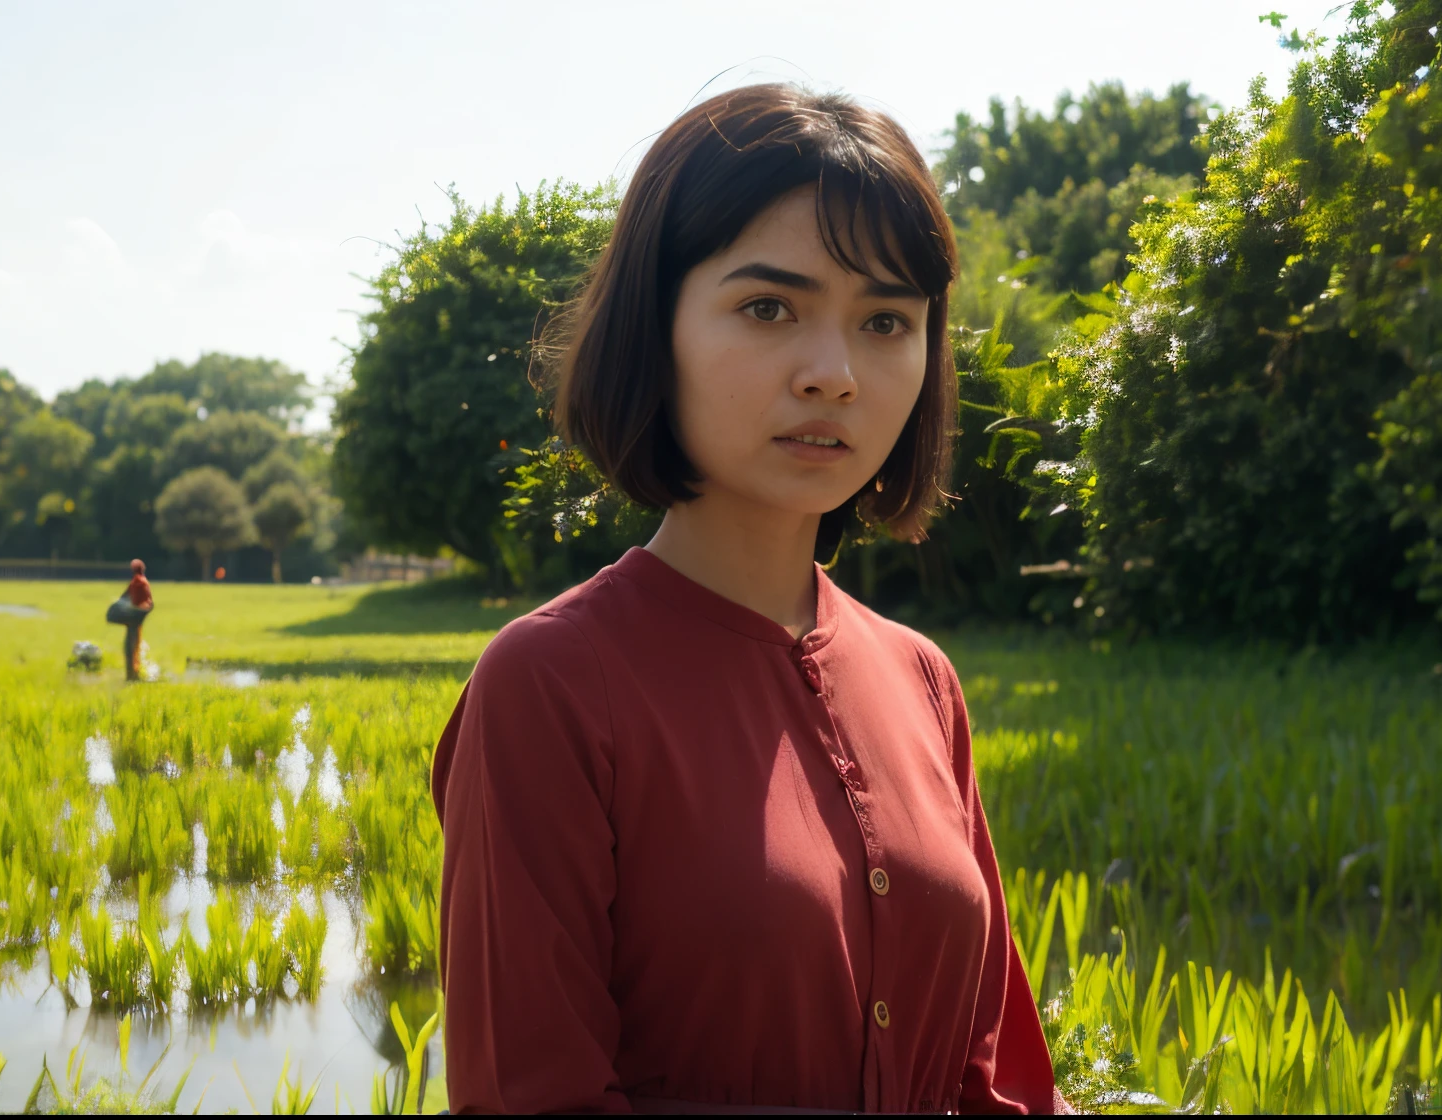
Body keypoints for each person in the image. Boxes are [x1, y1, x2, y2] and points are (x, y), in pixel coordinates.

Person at [431, 84, 1062, 1114]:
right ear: (655, 325)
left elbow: (999, 1083)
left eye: (886, 320)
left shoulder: (921, 680)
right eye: (768, 307)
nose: (834, 373)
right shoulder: (549, 686)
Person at [122, 559, 153, 681]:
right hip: (138, 619)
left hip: (132, 619)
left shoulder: (136, 582)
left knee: (130, 647)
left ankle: (132, 675)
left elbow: (125, 597)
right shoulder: (144, 582)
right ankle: (134, 673)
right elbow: (150, 602)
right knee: (135, 646)